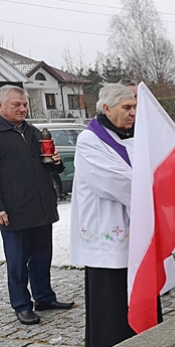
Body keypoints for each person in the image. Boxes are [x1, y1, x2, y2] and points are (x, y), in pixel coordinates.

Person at [70, 83, 157, 346]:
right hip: (107, 239)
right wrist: (156, 186)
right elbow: (117, 181)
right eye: (127, 107)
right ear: (106, 108)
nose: (133, 113)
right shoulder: (90, 141)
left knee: (139, 300)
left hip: (136, 234)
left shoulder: (132, 138)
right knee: (110, 309)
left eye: (135, 107)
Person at [0, 85, 75, 325]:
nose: (23, 109)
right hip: (13, 210)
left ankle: (44, 297)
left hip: (41, 206)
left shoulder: (33, 132)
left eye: (25, 105)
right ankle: (21, 305)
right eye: (17, 105)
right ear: (1, 106)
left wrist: (56, 162)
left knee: (42, 256)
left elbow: (49, 167)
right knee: (17, 262)